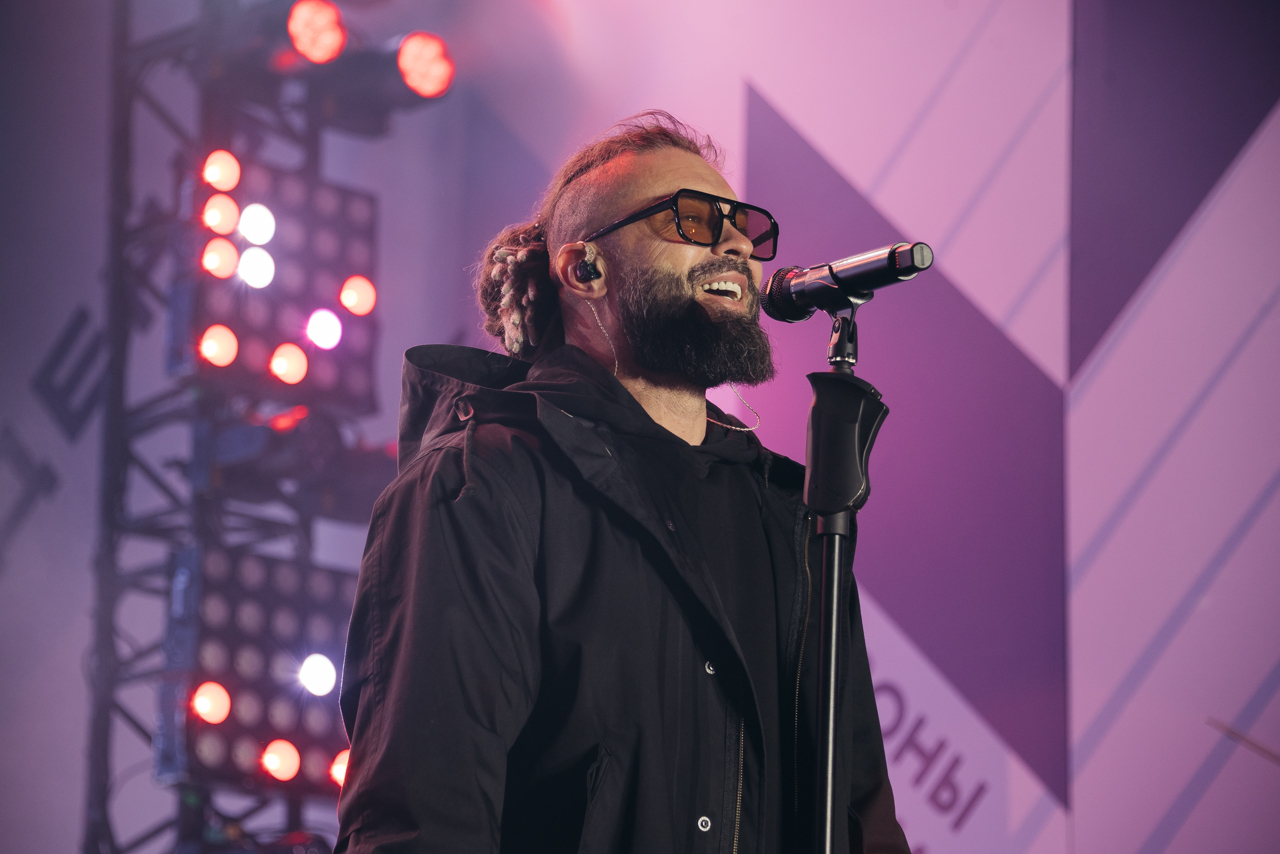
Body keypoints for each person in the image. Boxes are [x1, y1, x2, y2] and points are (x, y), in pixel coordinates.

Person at [336, 111, 909, 854]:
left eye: (743, 228)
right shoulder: (483, 481)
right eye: (694, 219)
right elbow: (423, 818)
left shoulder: (796, 522)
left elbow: (862, 818)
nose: (736, 244)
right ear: (585, 270)